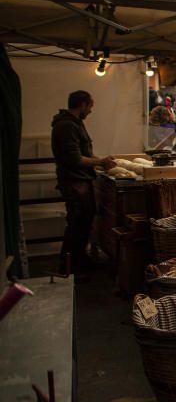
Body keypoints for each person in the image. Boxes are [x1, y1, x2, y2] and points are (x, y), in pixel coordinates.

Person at [51, 91, 116, 273]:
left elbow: (84, 154)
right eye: (90, 106)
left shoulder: (75, 124)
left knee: (83, 223)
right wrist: (99, 162)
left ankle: (79, 261)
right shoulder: (66, 126)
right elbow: (74, 159)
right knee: (77, 225)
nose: (91, 111)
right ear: (82, 104)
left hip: (81, 181)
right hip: (74, 183)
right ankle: (70, 267)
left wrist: (102, 162)